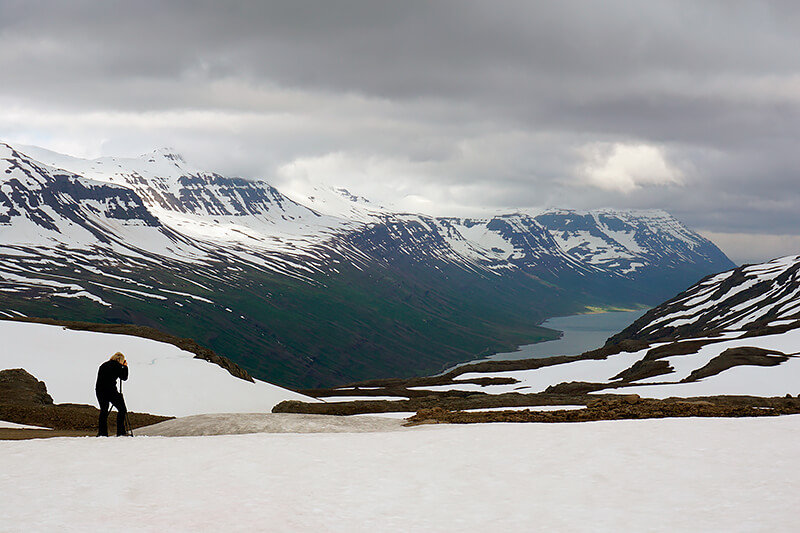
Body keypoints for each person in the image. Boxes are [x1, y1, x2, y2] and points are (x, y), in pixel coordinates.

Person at [96, 352, 129, 437]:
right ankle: (121, 432)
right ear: (120, 360)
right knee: (122, 409)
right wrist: (125, 367)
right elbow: (124, 377)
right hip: (110, 391)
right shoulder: (117, 366)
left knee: (104, 411)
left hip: (100, 390)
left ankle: (102, 433)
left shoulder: (103, 365)